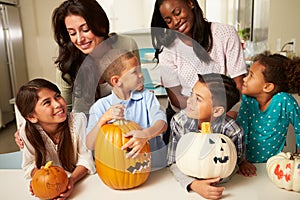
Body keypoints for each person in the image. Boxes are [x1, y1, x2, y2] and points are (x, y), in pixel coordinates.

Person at [15, 0, 141, 148]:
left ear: (101, 25)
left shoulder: (126, 45)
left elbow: (138, 88)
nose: (80, 39)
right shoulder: (67, 67)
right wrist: (29, 129)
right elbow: (63, 112)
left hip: (127, 129)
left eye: (85, 29)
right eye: (72, 33)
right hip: (89, 137)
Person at [151, 0, 247, 143]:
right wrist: (201, 121)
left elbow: (238, 83)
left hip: (221, 113)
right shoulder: (168, 50)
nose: (176, 21)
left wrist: (223, 117)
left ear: (190, 3)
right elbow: (177, 99)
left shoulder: (224, 33)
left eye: (177, 13)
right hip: (185, 116)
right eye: (169, 20)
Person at [86, 49, 168, 170]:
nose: (141, 75)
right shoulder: (100, 107)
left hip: (156, 167)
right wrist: (103, 119)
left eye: (140, 70)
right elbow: (90, 144)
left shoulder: (147, 98)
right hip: (120, 171)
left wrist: (146, 134)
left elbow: (162, 124)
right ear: (116, 81)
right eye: (135, 72)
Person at [168, 73, 245, 200]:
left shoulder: (233, 131)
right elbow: (173, 161)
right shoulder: (179, 122)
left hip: (227, 188)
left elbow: (234, 163)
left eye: (198, 99)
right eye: (191, 93)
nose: (189, 100)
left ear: (217, 111)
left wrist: (213, 179)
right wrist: (194, 184)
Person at [15, 78, 95, 199]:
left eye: (57, 96)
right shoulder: (26, 132)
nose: (58, 104)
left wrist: (71, 181)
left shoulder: (78, 121)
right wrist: (40, 181)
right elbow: (29, 165)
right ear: (32, 117)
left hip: (81, 183)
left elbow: (86, 159)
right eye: (47, 102)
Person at [237, 53, 300, 177]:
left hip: (274, 164)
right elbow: (241, 131)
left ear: (267, 86)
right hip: (247, 164)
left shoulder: (284, 101)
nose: (244, 79)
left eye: (251, 76)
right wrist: (242, 161)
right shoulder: (248, 101)